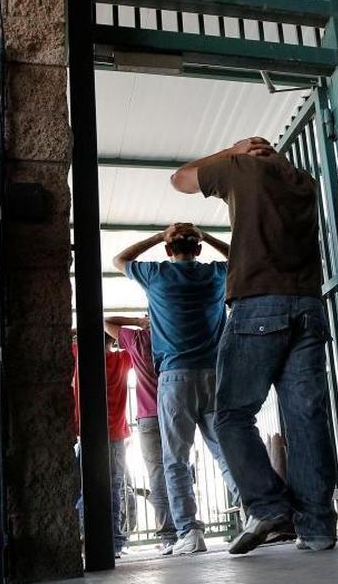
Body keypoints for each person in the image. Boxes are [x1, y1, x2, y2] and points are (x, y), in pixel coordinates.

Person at [171, 137, 338, 555]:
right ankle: (317, 528)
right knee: (307, 418)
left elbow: (179, 180)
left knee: (230, 415)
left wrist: (231, 150)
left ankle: (268, 505)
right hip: (309, 306)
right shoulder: (305, 182)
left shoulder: (241, 168)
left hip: (258, 306)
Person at [114, 223, 239, 555]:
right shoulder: (215, 275)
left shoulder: (156, 275)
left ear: (169, 251)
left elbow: (119, 259)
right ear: (198, 250)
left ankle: (189, 532)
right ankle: (255, 514)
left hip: (175, 378)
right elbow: (241, 255)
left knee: (176, 460)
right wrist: (205, 235)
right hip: (214, 374)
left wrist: (159, 236)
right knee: (226, 452)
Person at [104, 315, 179, 555]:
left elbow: (105, 321)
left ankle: (168, 536)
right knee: (179, 467)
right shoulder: (171, 338)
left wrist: (137, 322)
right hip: (175, 411)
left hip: (147, 417)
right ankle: (186, 530)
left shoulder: (138, 340)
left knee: (155, 474)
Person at [71, 330, 131, 557]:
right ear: (111, 342)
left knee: (88, 487)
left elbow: (64, 336)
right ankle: (114, 542)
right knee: (114, 488)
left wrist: (78, 332)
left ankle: (87, 537)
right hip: (116, 434)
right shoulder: (122, 359)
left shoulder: (79, 355)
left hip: (90, 434)